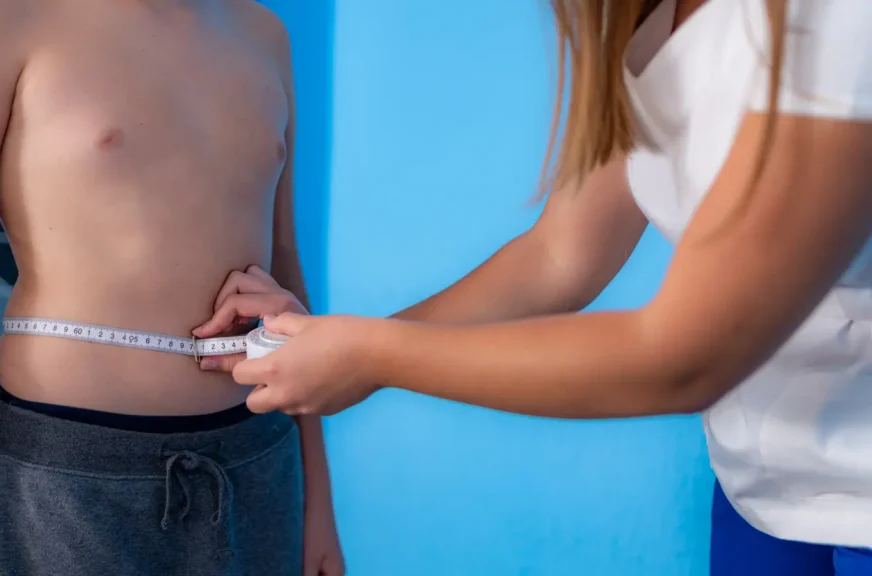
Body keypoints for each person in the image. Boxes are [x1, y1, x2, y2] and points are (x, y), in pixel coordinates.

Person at [193, 0, 872, 574]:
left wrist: (372, 356)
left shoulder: (834, 23)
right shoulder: (648, 17)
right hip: (767, 497)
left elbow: (682, 357)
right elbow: (561, 256)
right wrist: (337, 347)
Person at [0, 0, 344, 574]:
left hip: (261, 464)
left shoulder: (262, 32)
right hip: (70, 484)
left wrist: (318, 502)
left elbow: (283, 267)